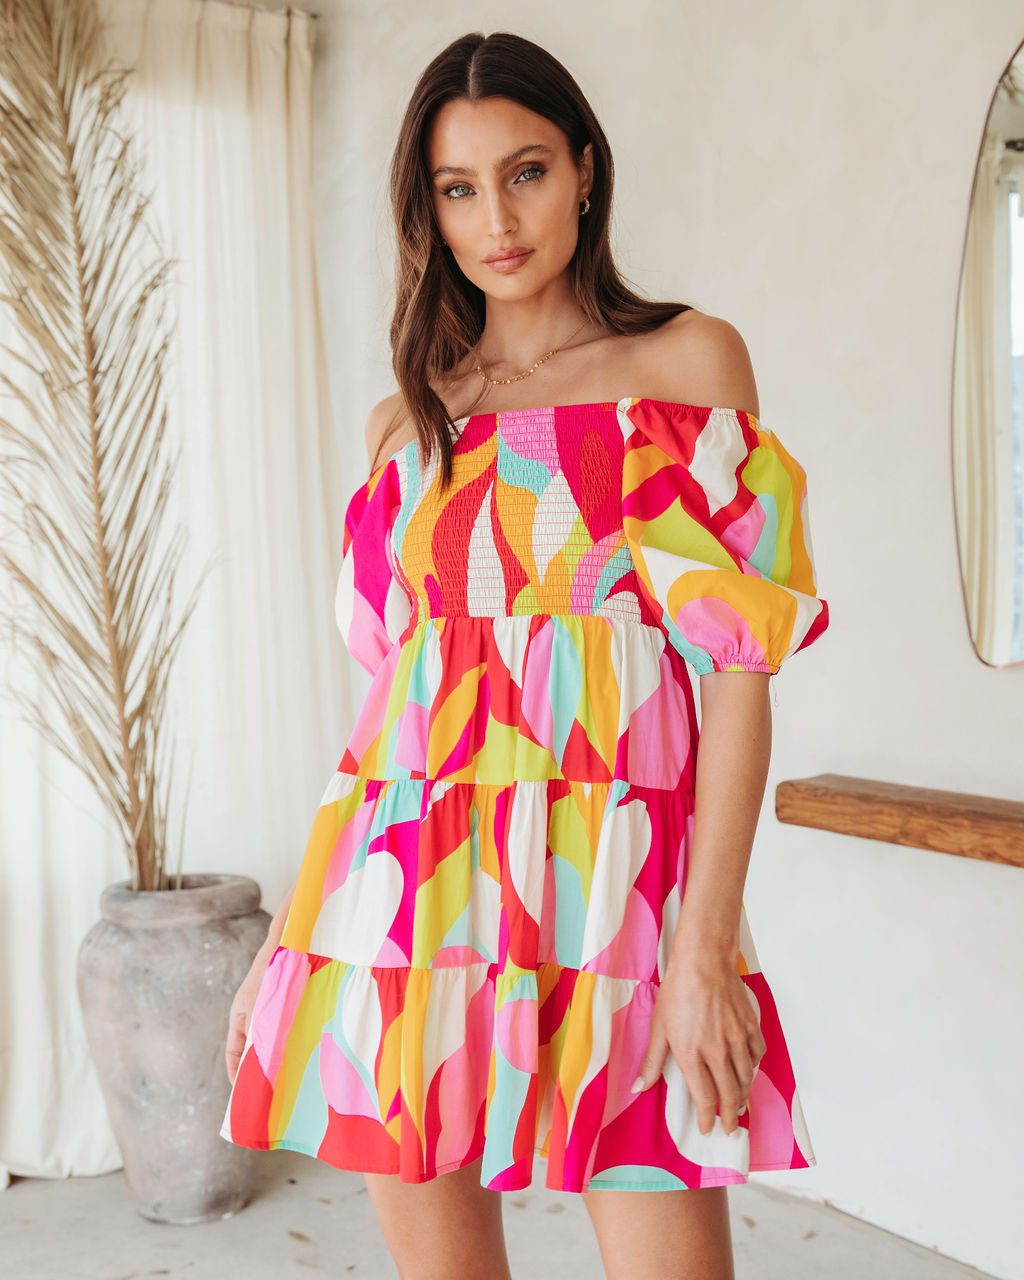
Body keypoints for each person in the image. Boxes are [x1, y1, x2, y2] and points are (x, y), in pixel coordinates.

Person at [220, 29, 829, 1280]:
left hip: (617, 897)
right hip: (406, 905)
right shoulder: (409, 422)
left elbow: (739, 675)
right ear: (428, 209)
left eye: (527, 172)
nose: (495, 220)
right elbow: (391, 718)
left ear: (585, 170)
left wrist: (702, 946)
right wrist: (293, 933)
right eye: (458, 188)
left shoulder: (686, 366)